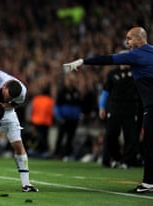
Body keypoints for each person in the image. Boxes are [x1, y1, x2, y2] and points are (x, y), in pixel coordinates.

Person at [63, 26, 152, 193]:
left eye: (129, 38)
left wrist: (83, 61)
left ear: (140, 39)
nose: (127, 42)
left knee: (149, 145)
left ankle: (148, 183)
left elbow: (108, 59)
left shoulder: (136, 55)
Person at [98, 63, 143, 169]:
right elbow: (105, 91)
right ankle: (115, 157)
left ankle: (127, 160)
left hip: (131, 107)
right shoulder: (112, 74)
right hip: (115, 107)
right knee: (111, 133)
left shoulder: (136, 73)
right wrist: (101, 107)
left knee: (131, 135)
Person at [53, 73, 82, 161]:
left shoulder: (76, 92)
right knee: (60, 136)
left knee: (70, 138)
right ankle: (57, 154)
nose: (71, 82)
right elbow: (57, 106)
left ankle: (67, 154)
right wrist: (59, 117)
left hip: (73, 120)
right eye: (70, 80)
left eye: (72, 81)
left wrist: (79, 116)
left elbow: (79, 105)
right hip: (63, 119)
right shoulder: (62, 92)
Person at [29, 85, 55, 158]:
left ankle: (36, 151)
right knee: (44, 138)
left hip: (36, 121)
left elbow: (31, 109)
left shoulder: (36, 99)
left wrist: (30, 120)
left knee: (37, 138)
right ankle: (44, 152)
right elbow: (52, 112)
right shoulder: (50, 100)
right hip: (46, 122)